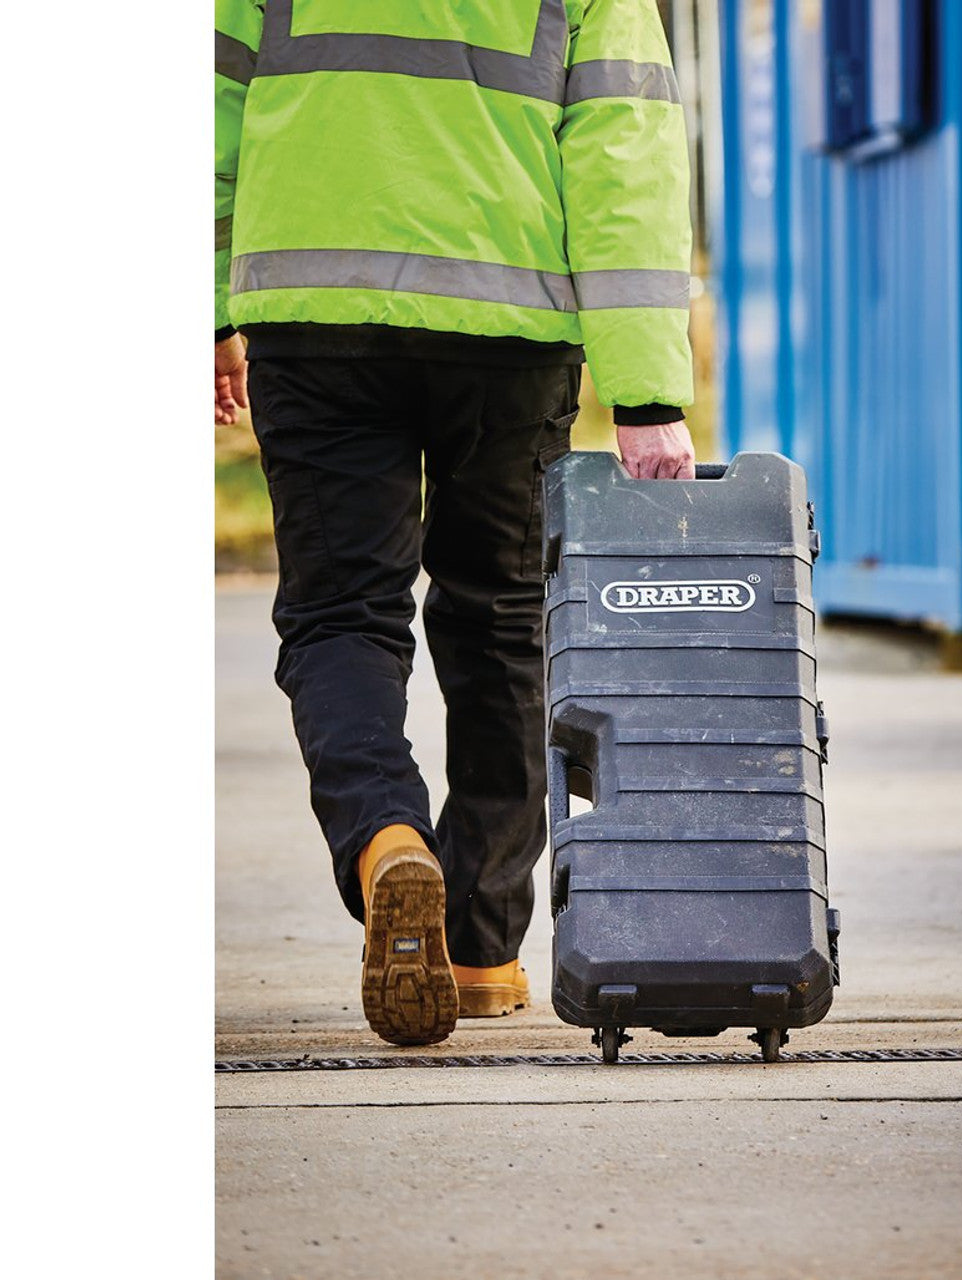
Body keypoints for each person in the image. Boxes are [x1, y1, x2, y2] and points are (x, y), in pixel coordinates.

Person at [214, 0, 696, 1045]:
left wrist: (209, 311)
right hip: (508, 327)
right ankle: (479, 947)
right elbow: (622, 157)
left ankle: (384, 837)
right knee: (500, 621)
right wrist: (646, 387)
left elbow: (209, 115)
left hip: (313, 318)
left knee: (341, 612)